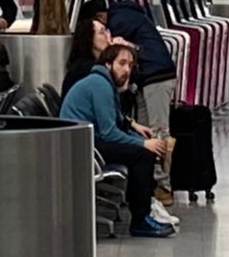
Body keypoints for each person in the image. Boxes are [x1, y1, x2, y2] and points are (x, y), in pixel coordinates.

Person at [62, 41, 176, 236]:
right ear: (108, 64)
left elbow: (115, 121)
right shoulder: (100, 85)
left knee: (141, 151)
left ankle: (144, 211)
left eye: (130, 65)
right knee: (142, 155)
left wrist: (134, 128)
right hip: (83, 144)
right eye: (121, 63)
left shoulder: (101, 81)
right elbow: (109, 132)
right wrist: (143, 143)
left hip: (84, 138)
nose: (127, 70)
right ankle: (141, 220)